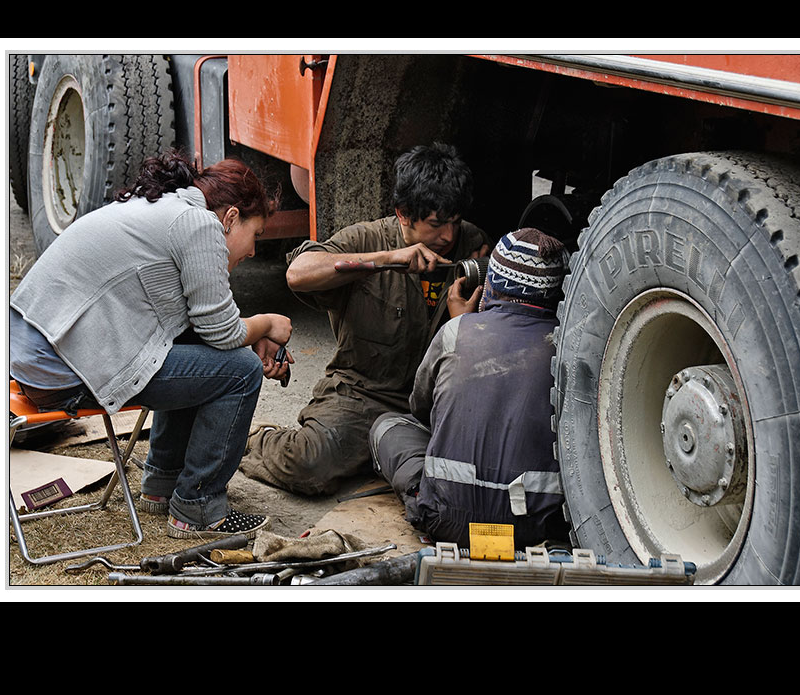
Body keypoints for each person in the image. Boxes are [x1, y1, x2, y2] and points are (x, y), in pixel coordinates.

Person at [10, 150, 293, 540]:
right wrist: (268, 323)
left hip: (33, 359)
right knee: (241, 373)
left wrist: (251, 335)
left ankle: (161, 484)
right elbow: (223, 333)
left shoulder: (166, 207)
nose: (253, 252)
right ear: (230, 218)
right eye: (255, 235)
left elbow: (204, 327)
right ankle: (197, 507)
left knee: (198, 347)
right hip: (61, 372)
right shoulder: (199, 224)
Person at [241, 142, 491, 495]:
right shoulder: (367, 238)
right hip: (365, 395)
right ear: (404, 214)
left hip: (438, 398)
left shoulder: (472, 242)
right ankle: (259, 438)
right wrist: (389, 258)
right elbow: (299, 273)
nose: (448, 236)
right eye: (436, 224)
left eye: (454, 222)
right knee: (309, 463)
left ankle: (380, 454)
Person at [368, 228, 571, 549]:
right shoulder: (569, 349)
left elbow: (422, 410)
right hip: (534, 528)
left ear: (491, 282)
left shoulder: (454, 331)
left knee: (387, 425)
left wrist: (464, 327)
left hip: (448, 521)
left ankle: (420, 498)